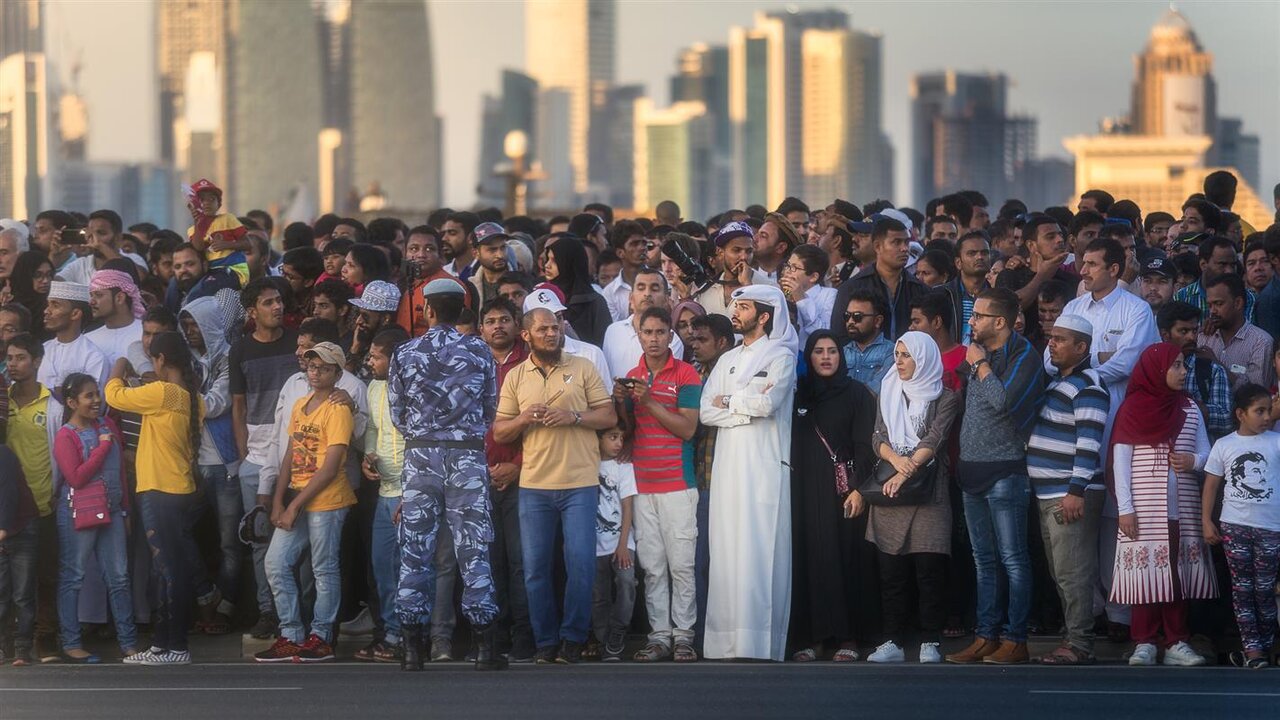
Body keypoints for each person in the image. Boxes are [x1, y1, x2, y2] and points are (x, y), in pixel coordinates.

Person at [389, 279, 507, 671]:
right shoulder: (480, 352)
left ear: (427, 310)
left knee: (415, 550)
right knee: (473, 548)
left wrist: (426, 434)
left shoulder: (405, 352)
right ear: (462, 310)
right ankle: (486, 647)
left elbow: (396, 413)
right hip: (467, 457)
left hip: (420, 457)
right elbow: (491, 409)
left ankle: (410, 648)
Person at [492, 307, 616, 664]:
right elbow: (500, 431)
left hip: (580, 483)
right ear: (526, 335)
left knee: (580, 565)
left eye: (555, 327)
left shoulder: (583, 366)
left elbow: (608, 416)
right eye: (543, 328)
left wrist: (573, 417)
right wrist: (522, 418)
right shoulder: (516, 376)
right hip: (534, 485)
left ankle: (573, 638)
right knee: (534, 569)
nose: (552, 333)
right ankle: (546, 641)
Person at [845, 330, 960, 664]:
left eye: (906, 355)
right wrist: (895, 463)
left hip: (927, 489)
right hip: (890, 490)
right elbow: (878, 435)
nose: (899, 361)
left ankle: (929, 641)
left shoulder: (945, 396)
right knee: (890, 572)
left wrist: (903, 472)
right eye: (897, 354)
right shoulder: (889, 389)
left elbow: (935, 438)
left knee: (929, 569)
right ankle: (892, 641)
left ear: (923, 358)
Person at [699, 284, 797, 661]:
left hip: (765, 467)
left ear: (765, 314)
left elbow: (769, 403)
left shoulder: (781, 357)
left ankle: (761, 643)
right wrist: (743, 408)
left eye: (743, 307)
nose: (735, 312)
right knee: (727, 550)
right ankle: (724, 643)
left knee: (760, 550)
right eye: (735, 305)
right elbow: (707, 411)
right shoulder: (726, 360)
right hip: (727, 469)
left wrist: (731, 403)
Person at [947, 289, 1044, 665]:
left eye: (979, 317)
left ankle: (1015, 639)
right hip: (971, 470)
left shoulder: (1024, 355)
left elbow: (1002, 402)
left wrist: (980, 365)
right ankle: (985, 636)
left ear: (1000, 322)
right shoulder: (978, 355)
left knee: (1013, 559)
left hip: (1006, 471)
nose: (971, 322)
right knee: (983, 560)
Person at [1110, 343, 1216, 667]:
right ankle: (1144, 642)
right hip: (1143, 509)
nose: (1184, 372)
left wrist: (1192, 460)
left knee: (1177, 572)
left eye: (1184, 365)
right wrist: (1125, 509)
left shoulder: (1190, 408)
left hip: (1181, 507)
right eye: (1177, 366)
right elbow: (1120, 462)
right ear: (1157, 370)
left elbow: (1209, 454)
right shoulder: (1132, 408)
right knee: (1145, 574)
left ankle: (1176, 641)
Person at [254, 342, 357, 664]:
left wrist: (293, 506)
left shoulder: (339, 409)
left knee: (324, 569)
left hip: (327, 500)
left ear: (338, 374)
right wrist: (276, 500)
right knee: (275, 563)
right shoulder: (301, 404)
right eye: (312, 366)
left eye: (324, 368)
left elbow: (330, 467)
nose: (315, 372)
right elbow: (291, 454)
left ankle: (322, 637)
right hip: (298, 495)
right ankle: (291, 634)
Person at [107, 332, 204, 665]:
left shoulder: (162, 393)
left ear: (161, 360)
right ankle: (164, 646)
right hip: (179, 489)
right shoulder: (192, 396)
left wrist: (119, 366)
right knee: (169, 570)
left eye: (152, 360)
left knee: (168, 570)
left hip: (159, 490)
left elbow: (114, 395)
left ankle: (175, 646)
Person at [615, 307, 701, 663]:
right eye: (647, 332)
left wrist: (648, 400)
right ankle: (659, 637)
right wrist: (621, 403)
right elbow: (626, 435)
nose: (653, 339)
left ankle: (684, 636)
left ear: (671, 335)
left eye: (660, 332)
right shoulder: (633, 375)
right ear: (639, 335)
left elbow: (687, 429)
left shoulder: (687, 374)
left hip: (678, 484)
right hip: (643, 483)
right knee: (652, 567)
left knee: (681, 565)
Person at [1025, 315, 1110, 665]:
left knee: (1073, 571)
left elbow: (1089, 444)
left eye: (1061, 340)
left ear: (1082, 347)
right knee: (1062, 571)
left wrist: (1076, 490)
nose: (1052, 344)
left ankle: (1079, 644)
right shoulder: (1059, 382)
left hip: (1069, 493)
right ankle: (1072, 638)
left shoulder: (1088, 386)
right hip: (1051, 493)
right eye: (1052, 338)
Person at [791, 331, 880, 662]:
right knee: (809, 560)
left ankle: (848, 636)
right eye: (818, 351)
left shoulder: (856, 394)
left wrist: (859, 488)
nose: (826, 357)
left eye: (832, 351)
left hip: (844, 492)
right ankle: (813, 638)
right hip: (804, 492)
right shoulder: (801, 395)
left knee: (844, 560)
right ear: (809, 358)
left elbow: (864, 445)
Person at [229, 279, 300, 639]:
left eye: (279, 301)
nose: (277, 307)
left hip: (294, 453)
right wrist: (244, 456)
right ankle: (267, 611)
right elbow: (238, 405)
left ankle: (298, 614)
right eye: (269, 302)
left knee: (296, 535)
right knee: (259, 539)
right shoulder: (240, 348)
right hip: (256, 457)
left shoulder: (296, 343)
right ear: (251, 311)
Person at [51, 374, 138, 663]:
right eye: (89, 396)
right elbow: (75, 478)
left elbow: (121, 475)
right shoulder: (66, 435)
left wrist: (125, 509)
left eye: (97, 394)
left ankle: (129, 643)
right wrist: (101, 447)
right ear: (72, 402)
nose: (97, 400)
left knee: (119, 578)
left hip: (112, 511)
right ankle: (71, 643)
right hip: (78, 512)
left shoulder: (108, 425)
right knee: (73, 576)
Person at [1201, 384, 1280, 668]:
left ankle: (1269, 645)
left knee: (1265, 588)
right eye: (1259, 411)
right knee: (1242, 589)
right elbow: (1211, 485)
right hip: (1234, 526)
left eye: (1269, 410)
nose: (1266, 417)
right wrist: (1206, 520)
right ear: (1240, 414)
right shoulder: (1225, 445)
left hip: (1271, 528)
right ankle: (1253, 650)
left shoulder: (1276, 442)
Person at [478, 298, 535, 662]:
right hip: (478, 477)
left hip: (524, 476)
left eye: (504, 320)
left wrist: (517, 465)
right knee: (487, 561)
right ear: (481, 328)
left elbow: (537, 424)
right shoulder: (469, 362)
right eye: (490, 321)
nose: (497, 326)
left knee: (520, 561)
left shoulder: (532, 363)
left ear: (517, 325)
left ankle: (525, 638)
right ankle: (492, 639)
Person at [179, 296, 240, 633]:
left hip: (224, 462)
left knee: (229, 542)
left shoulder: (229, 357)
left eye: (196, 326)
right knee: (178, 528)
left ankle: (225, 609)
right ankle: (205, 593)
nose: (190, 332)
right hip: (192, 463)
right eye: (186, 326)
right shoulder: (185, 361)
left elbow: (216, 404)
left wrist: (177, 398)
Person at [5, 332, 61, 660]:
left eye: (20, 358)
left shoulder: (52, 403)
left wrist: (58, 490)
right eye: (9, 358)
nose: (13, 364)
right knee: (8, 581)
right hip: (8, 507)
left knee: (45, 574)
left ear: (37, 361)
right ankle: (11, 641)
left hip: (43, 503)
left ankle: (45, 637)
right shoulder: (3, 400)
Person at [687, 312, 734, 652]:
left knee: (729, 561)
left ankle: (731, 633)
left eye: (701, 340)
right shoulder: (693, 374)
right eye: (692, 339)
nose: (694, 346)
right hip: (699, 479)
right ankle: (703, 637)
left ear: (722, 342)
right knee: (700, 560)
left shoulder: (734, 374)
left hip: (732, 479)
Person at [830, 217, 927, 341]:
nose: (904, 248)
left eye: (906, 242)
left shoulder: (920, 290)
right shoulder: (852, 288)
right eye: (896, 242)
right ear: (877, 247)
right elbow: (840, 337)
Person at [590, 421, 637, 662]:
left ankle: (618, 632)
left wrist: (623, 544)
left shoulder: (624, 467)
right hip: (594, 543)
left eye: (621, 437)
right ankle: (602, 638)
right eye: (613, 437)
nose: (619, 443)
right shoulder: (588, 464)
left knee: (627, 584)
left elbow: (628, 506)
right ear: (598, 438)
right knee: (599, 594)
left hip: (621, 541)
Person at [1159, 301, 1233, 441]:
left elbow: (1226, 419)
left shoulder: (1212, 370)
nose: (1192, 337)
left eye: (1194, 331)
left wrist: (1183, 406)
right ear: (1165, 335)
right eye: (1183, 331)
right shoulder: (1152, 367)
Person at [602, 269, 683, 380]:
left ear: (666, 299)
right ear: (631, 298)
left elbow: (666, 385)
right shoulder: (613, 331)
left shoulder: (672, 340)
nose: (647, 294)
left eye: (654, 289)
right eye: (641, 288)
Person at [1198, 273, 1273, 392]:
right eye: (1209, 305)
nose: (1212, 311)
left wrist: (1216, 364)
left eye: (1218, 304)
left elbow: (1257, 395)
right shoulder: (1203, 336)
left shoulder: (1261, 342)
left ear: (1238, 303)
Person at [0, 443, 39, 666]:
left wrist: (2, 530)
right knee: (1, 594)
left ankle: (22, 649)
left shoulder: (3, 454)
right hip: (4, 528)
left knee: (22, 594)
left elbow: (8, 492)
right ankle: (2, 648)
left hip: (22, 526)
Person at [691, 221, 774, 318]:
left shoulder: (768, 288)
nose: (743, 257)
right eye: (736, 250)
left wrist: (747, 286)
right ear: (720, 252)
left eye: (749, 251)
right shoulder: (705, 291)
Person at [544, 235, 612, 346]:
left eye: (554, 261)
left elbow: (605, 344)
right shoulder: (544, 296)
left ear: (569, 263)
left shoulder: (595, 303)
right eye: (547, 259)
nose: (547, 265)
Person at [40, 281, 109, 391]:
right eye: (48, 305)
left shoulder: (93, 357)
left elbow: (93, 402)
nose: (46, 311)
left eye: (55, 305)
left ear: (75, 314)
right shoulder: (42, 349)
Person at [1173, 236, 1255, 323]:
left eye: (1233, 265)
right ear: (1203, 264)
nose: (1229, 271)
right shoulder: (1182, 298)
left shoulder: (1247, 298)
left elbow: (1246, 332)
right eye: (1222, 264)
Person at [185, 179, 250, 287]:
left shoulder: (228, 219)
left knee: (203, 291)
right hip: (211, 273)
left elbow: (248, 244)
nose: (206, 203)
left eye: (212, 199)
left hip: (233, 268)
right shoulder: (192, 230)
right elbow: (199, 247)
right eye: (201, 200)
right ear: (191, 206)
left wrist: (227, 244)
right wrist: (198, 222)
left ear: (219, 204)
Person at [941, 230, 992, 345]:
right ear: (958, 262)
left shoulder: (998, 298)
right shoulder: (941, 295)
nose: (979, 257)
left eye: (985, 253)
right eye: (972, 253)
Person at [840, 289, 894, 394]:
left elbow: (877, 392)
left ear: (877, 321)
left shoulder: (892, 352)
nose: (850, 321)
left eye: (857, 316)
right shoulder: (842, 352)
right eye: (847, 316)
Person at [781, 244, 835, 346]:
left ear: (813, 277)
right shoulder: (782, 294)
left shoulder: (829, 295)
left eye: (795, 268)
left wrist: (801, 299)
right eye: (788, 265)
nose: (787, 272)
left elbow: (823, 334)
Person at [600, 220, 649, 322]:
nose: (642, 248)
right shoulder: (609, 293)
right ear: (620, 253)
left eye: (644, 243)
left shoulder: (662, 282)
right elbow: (616, 330)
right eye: (634, 244)